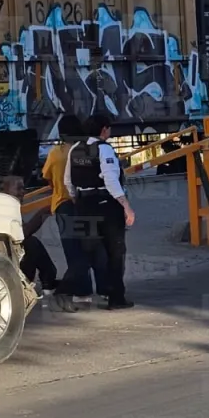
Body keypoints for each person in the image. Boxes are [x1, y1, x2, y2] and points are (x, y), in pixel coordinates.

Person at [63, 112, 135, 310]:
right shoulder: (104, 149)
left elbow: (68, 181)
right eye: (109, 128)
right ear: (104, 129)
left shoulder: (75, 149)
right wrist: (126, 206)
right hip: (107, 206)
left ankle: (67, 292)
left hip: (84, 205)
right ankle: (116, 297)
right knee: (115, 252)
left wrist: (78, 200)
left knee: (86, 252)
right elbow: (111, 181)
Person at [43, 115, 106, 312]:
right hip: (86, 204)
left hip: (64, 205)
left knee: (73, 250)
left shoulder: (56, 154)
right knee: (93, 248)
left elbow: (47, 177)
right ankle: (104, 288)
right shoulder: (85, 151)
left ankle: (81, 291)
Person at [1, 176, 58, 294]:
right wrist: (44, 212)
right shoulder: (2, 209)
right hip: (6, 262)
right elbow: (23, 234)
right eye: (18, 189)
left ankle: (48, 281)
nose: (23, 192)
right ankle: (48, 282)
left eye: (23, 189)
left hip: (12, 260)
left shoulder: (11, 208)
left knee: (32, 242)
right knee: (32, 243)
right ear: (5, 190)